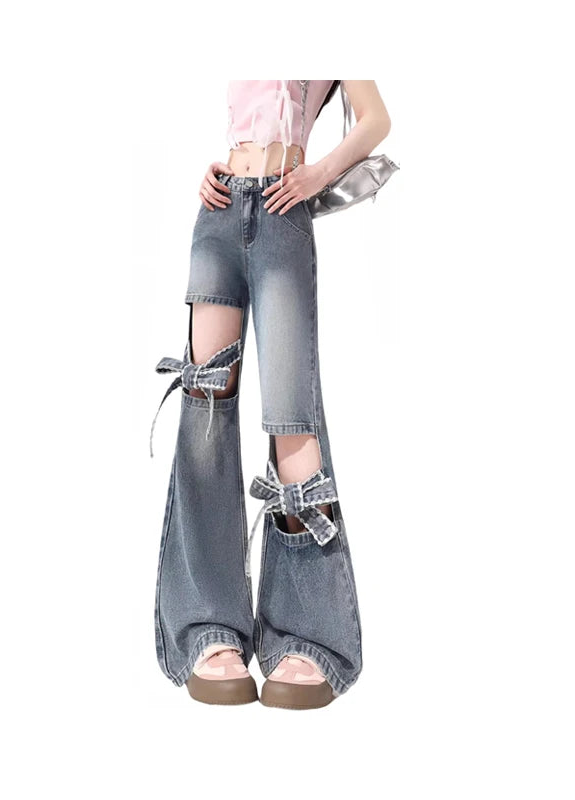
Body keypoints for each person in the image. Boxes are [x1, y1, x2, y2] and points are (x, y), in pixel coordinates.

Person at [150, 80, 391, 709]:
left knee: (292, 422)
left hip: (285, 215)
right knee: (204, 412)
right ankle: (209, 626)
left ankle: (306, 634)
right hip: (219, 210)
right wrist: (219, 172)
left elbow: (375, 120)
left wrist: (315, 175)